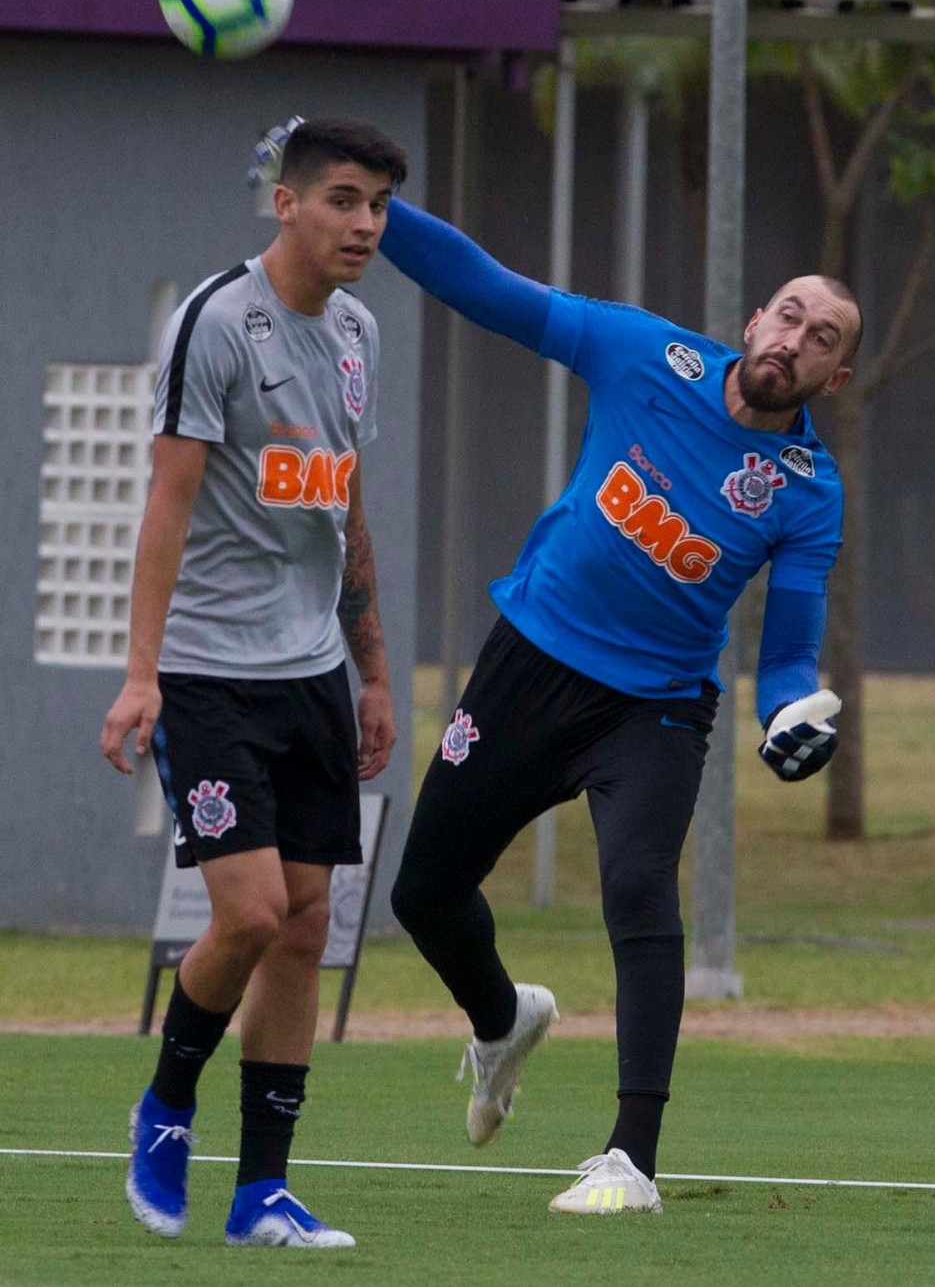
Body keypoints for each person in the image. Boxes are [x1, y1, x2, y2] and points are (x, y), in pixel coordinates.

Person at [379, 195, 860, 1216]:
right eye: (785, 313)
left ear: (834, 375)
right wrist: (380, 215)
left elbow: (784, 654)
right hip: (528, 662)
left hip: (652, 706)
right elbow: (489, 290)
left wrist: (790, 719)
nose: (795, 338)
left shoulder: (805, 487)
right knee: (421, 892)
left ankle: (628, 1159)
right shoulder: (645, 353)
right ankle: (501, 1016)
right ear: (749, 322)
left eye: (821, 336)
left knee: (638, 885)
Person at [100, 117, 408, 1249]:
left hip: (312, 674)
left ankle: (261, 1192)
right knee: (253, 909)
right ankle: (167, 1102)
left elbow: (345, 506)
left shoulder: (361, 331)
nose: (363, 223)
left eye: (376, 203)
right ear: (283, 202)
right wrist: (141, 676)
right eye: (341, 198)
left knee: (308, 922)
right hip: (206, 672)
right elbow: (166, 506)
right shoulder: (217, 324)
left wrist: (371, 672)